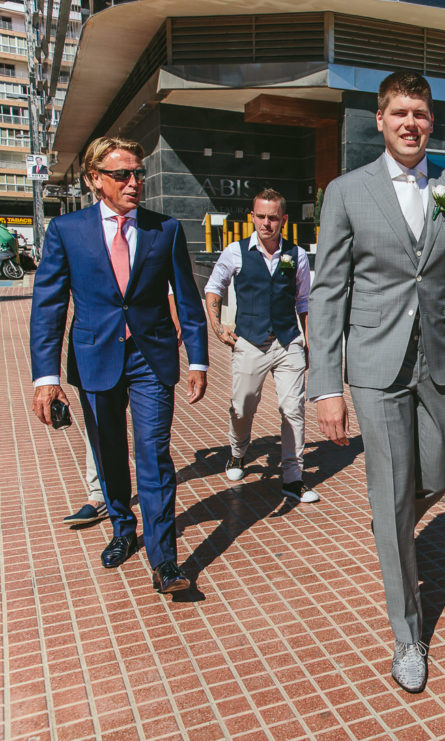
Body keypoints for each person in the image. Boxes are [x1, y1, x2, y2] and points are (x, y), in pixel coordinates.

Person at [309, 70, 445, 693]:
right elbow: (328, 292)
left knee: (443, 472)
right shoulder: (347, 191)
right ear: (379, 119)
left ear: (431, 120)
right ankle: (407, 636)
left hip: (440, 361)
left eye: (419, 113)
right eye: (399, 113)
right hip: (374, 365)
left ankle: (391, 517)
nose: (410, 123)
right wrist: (327, 385)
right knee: (393, 494)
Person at [30, 136, 209, 594]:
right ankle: (122, 529)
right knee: (109, 453)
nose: (134, 183)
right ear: (95, 179)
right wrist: (46, 379)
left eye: (139, 173)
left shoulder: (163, 229)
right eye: (122, 174)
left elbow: (187, 302)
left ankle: (164, 561)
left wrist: (199, 359)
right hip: (94, 356)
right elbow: (48, 307)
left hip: (151, 357)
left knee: (154, 454)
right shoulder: (67, 231)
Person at [204, 190, 318, 503]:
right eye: (261, 216)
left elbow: (304, 301)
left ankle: (293, 476)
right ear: (252, 217)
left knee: (292, 408)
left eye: (273, 217)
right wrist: (217, 326)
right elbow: (214, 287)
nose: (266, 223)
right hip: (250, 342)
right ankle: (238, 452)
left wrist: (308, 343)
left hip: (287, 341)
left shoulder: (297, 255)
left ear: (283, 219)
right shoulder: (235, 252)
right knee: (242, 406)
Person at [65, 288, 183, 526]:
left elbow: (165, 275)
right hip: (98, 344)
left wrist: (175, 312)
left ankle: (157, 531)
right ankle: (99, 496)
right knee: (101, 433)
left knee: (151, 441)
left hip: (145, 342)